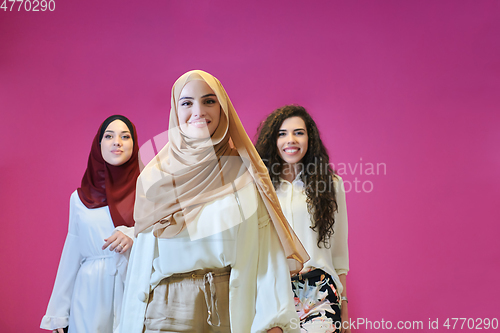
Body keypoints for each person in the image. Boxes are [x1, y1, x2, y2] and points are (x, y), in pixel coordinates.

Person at [119, 70, 309, 333]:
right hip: (163, 310)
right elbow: (141, 260)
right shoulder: (155, 175)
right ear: (176, 109)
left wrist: (274, 319)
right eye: (187, 103)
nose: (198, 111)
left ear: (223, 108)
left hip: (227, 308)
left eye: (209, 101)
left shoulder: (245, 172)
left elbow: (267, 252)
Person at [41, 115, 141, 333]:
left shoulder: (149, 192)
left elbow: (163, 237)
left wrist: (133, 234)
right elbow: (72, 253)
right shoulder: (79, 199)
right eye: (109, 136)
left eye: (125, 136)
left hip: (134, 285)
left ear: (134, 144)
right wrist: (58, 312)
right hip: (89, 294)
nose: (117, 142)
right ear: (99, 145)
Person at [255, 105, 350, 333]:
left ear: (310, 139)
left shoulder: (331, 185)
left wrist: (344, 303)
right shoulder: (258, 189)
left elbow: (338, 254)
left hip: (319, 291)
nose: (291, 140)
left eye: (299, 132)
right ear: (272, 141)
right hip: (272, 290)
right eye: (282, 133)